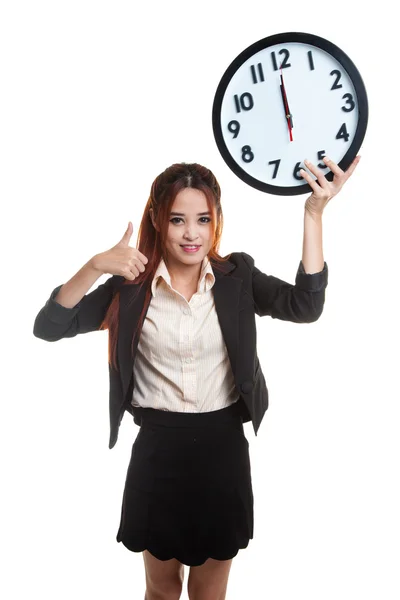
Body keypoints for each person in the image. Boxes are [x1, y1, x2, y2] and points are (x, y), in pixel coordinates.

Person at [33, 156, 360, 600]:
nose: (192, 233)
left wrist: (314, 213)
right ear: (157, 220)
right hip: (158, 452)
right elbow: (49, 326)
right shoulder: (130, 287)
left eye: (203, 219)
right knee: (162, 591)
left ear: (216, 221)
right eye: (178, 220)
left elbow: (306, 306)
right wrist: (95, 265)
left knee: (209, 593)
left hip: (221, 451)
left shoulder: (236, 277)